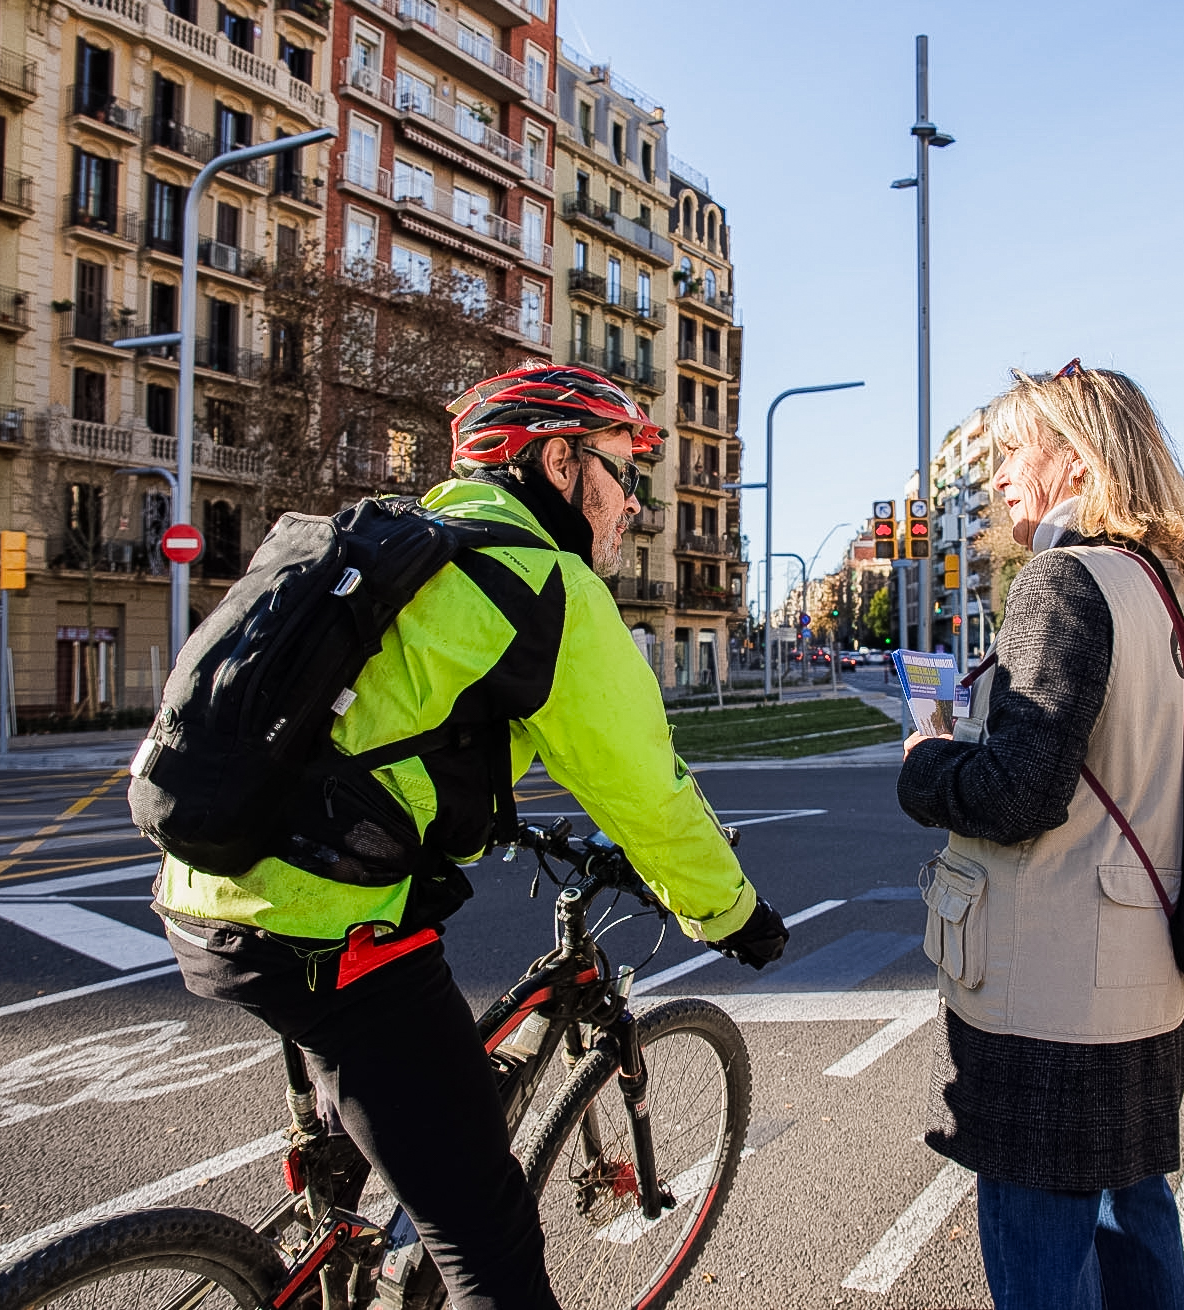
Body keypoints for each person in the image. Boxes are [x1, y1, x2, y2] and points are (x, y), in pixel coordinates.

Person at [156, 365, 789, 1310]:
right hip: (323, 925)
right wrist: (734, 916)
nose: (636, 505)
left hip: (205, 881)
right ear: (560, 463)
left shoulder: (406, 544)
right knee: (491, 1240)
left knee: (385, 1138)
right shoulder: (548, 585)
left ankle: (339, 1246)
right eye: (624, 474)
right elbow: (649, 796)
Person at [897, 361, 1184, 1310]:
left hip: (1048, 997)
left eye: (1013, 452)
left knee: (1041, 1249)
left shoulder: (1064, 581)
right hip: (1141, 980)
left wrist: (925, 761)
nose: (998, 476)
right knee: (1134, 1217)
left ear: (1077, 461)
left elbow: (1020, 793)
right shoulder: (1169, 590)